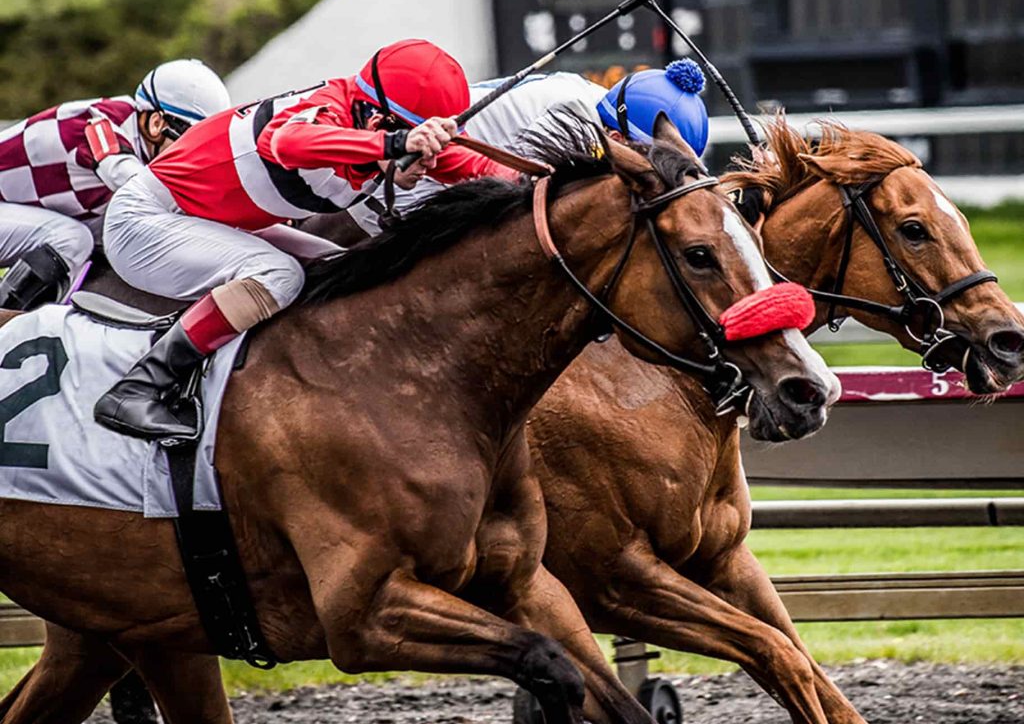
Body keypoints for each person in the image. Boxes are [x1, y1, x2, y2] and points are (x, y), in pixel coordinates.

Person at [93, 39, 517, 441]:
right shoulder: (327, 111)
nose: (429, 163)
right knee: (279, 275)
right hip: (145, 221)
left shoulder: (378, 124)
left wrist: (538, 180)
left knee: (345, 271)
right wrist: (394, 144)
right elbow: (282, 142)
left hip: (207, 220)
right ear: (378, 122)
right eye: (418, 150)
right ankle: (139, 388)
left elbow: (477, 166)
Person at [346, 59, 710, 235]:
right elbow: (525, 213)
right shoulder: (573, 120)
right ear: (617, 140)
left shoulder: (606, 109)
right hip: (399, 181)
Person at [0, 60, 231, 310]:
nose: (193, 158)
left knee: (114, 240)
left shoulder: (142, 145)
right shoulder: (100, 122)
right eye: (190, 144)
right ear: (156, 123)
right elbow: (129, 180)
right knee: (72, 240)